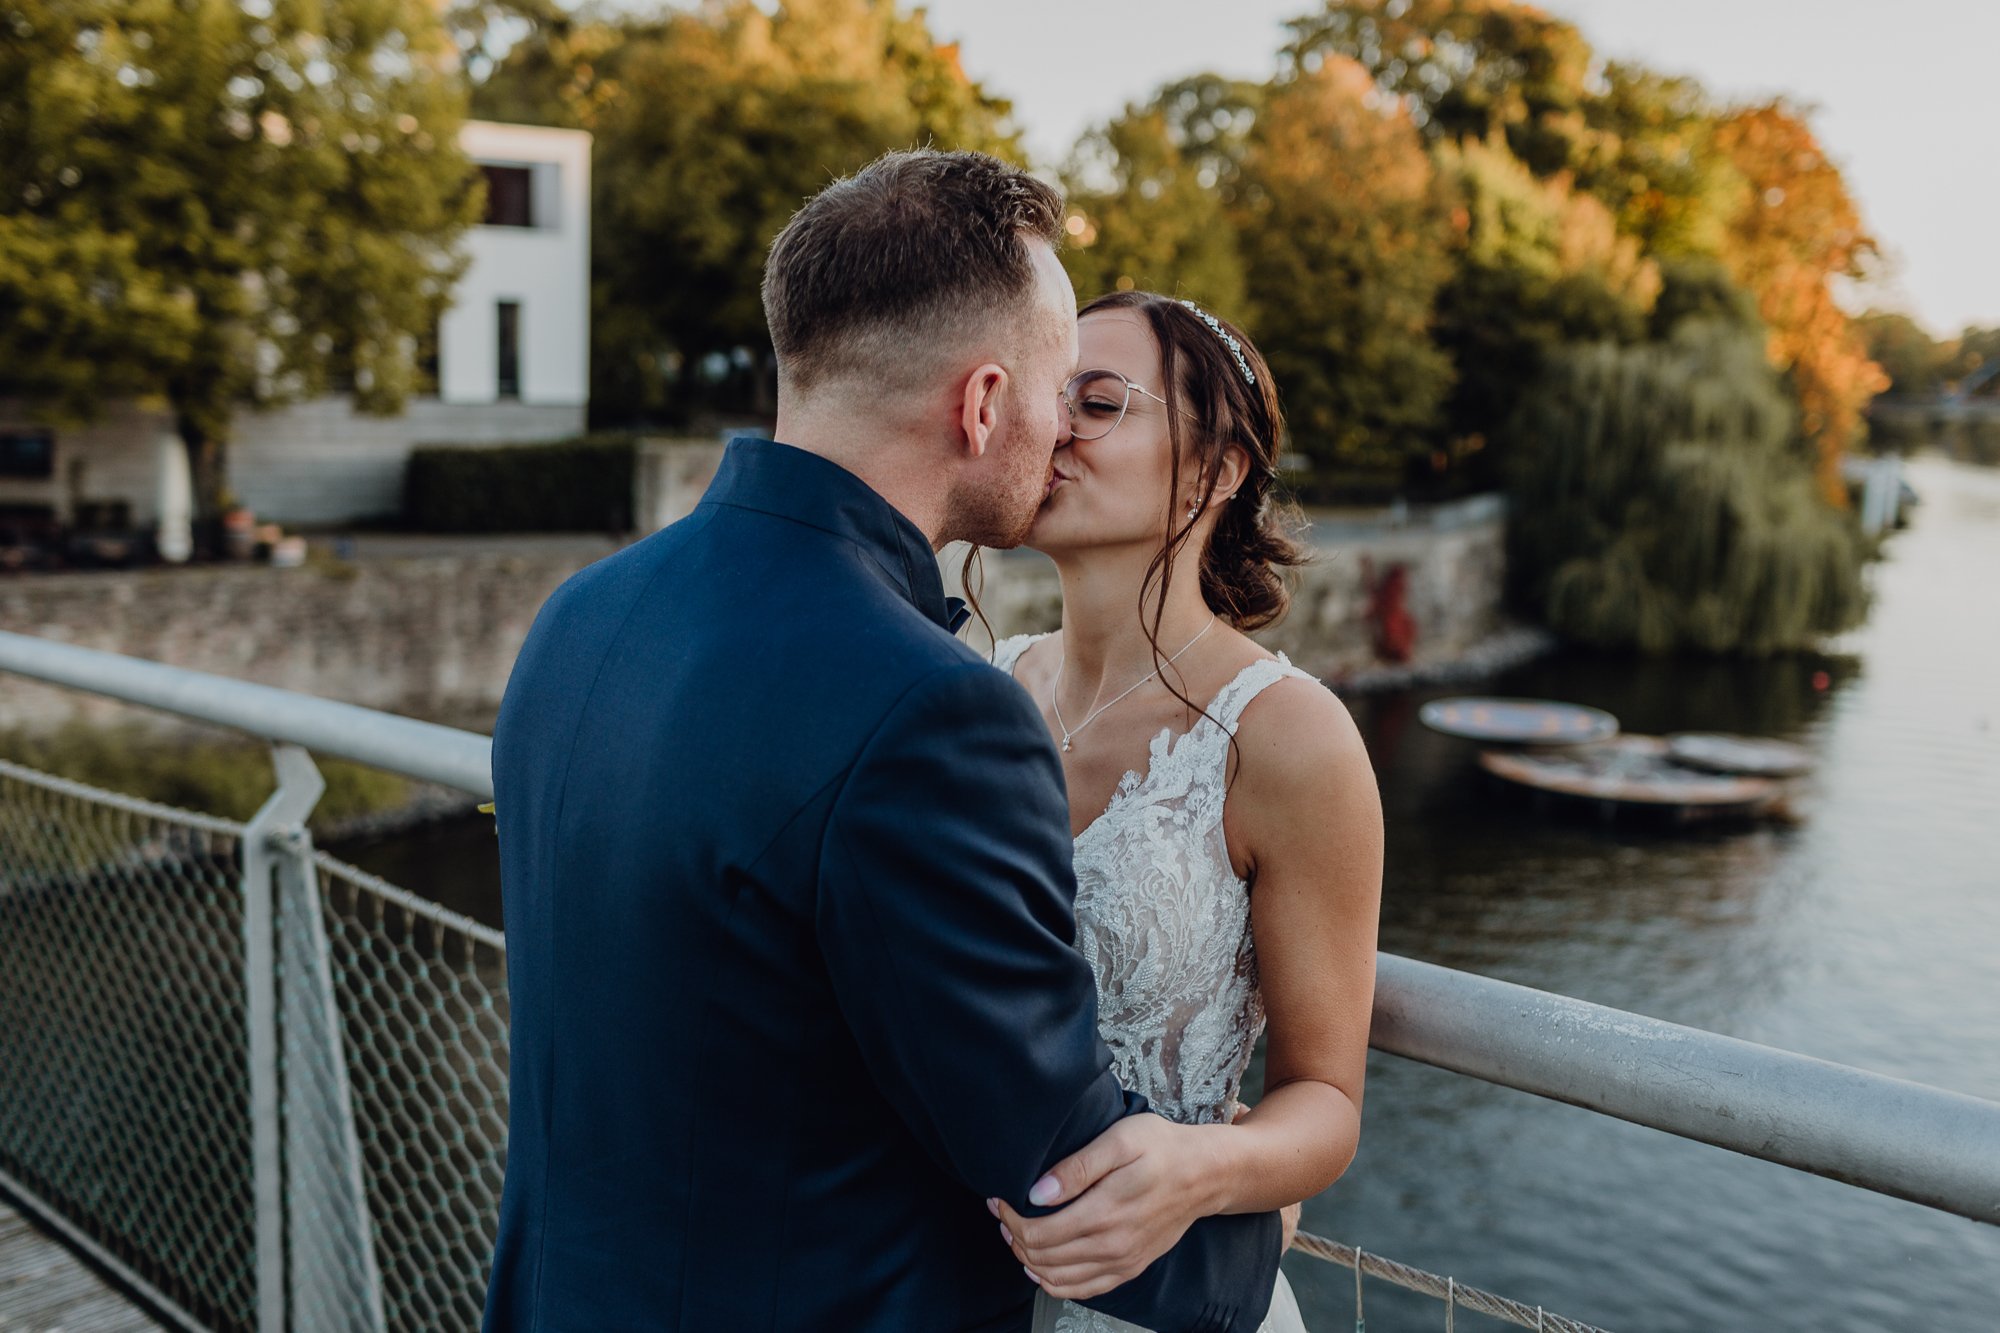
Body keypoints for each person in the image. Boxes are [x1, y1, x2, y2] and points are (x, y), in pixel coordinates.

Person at [481, 150, 1285, 1332]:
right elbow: (1052, 1171)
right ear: (980, 404)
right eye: (1060, 388)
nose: (1063, 427)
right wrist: (1253, 1239)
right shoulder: (931, 710)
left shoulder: (582, 616)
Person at [985, 291, 1384, 1333]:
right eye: (1049, 393)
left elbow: (1324, 1105)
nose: (1053, 425)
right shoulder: (975, 688)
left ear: (1215, 469)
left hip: (1162, 1298)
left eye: (1100, 401)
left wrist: (1199, 1168)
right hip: (945, 1280)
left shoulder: (1287, 737)